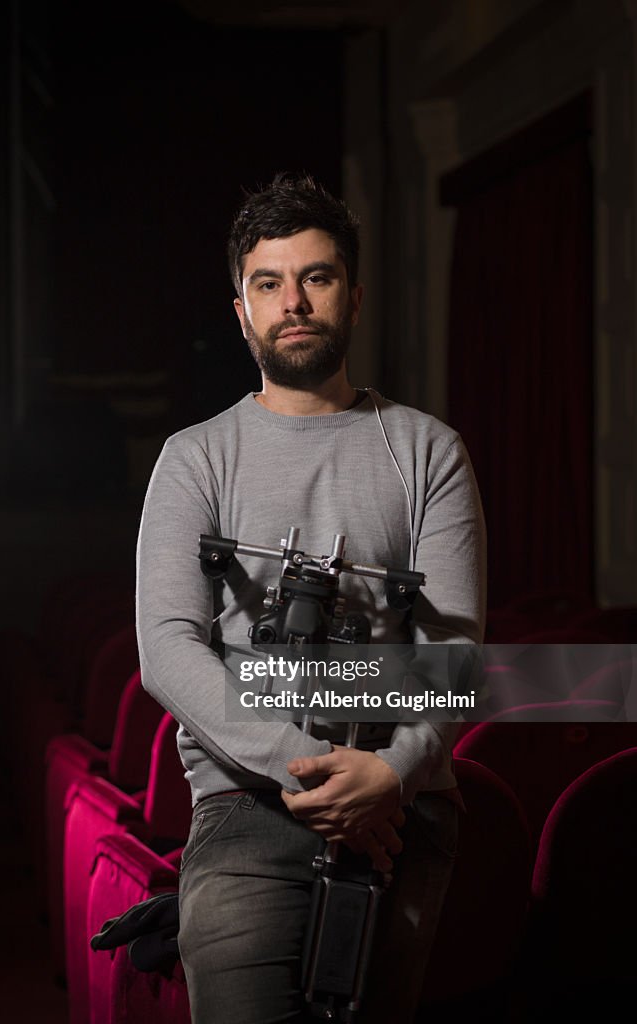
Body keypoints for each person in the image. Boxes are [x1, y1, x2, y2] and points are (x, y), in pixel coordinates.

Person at [135, 173, 486, 1023]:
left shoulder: (428, 450)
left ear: (353, 299)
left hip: (403, 810)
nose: (294, 301)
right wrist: (312, 771)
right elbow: (167, 647)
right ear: (242, 311)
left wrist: (391, 774)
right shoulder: (195, 458)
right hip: (246, 806)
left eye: (317, 278)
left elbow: (456, 651)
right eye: (270, 283)